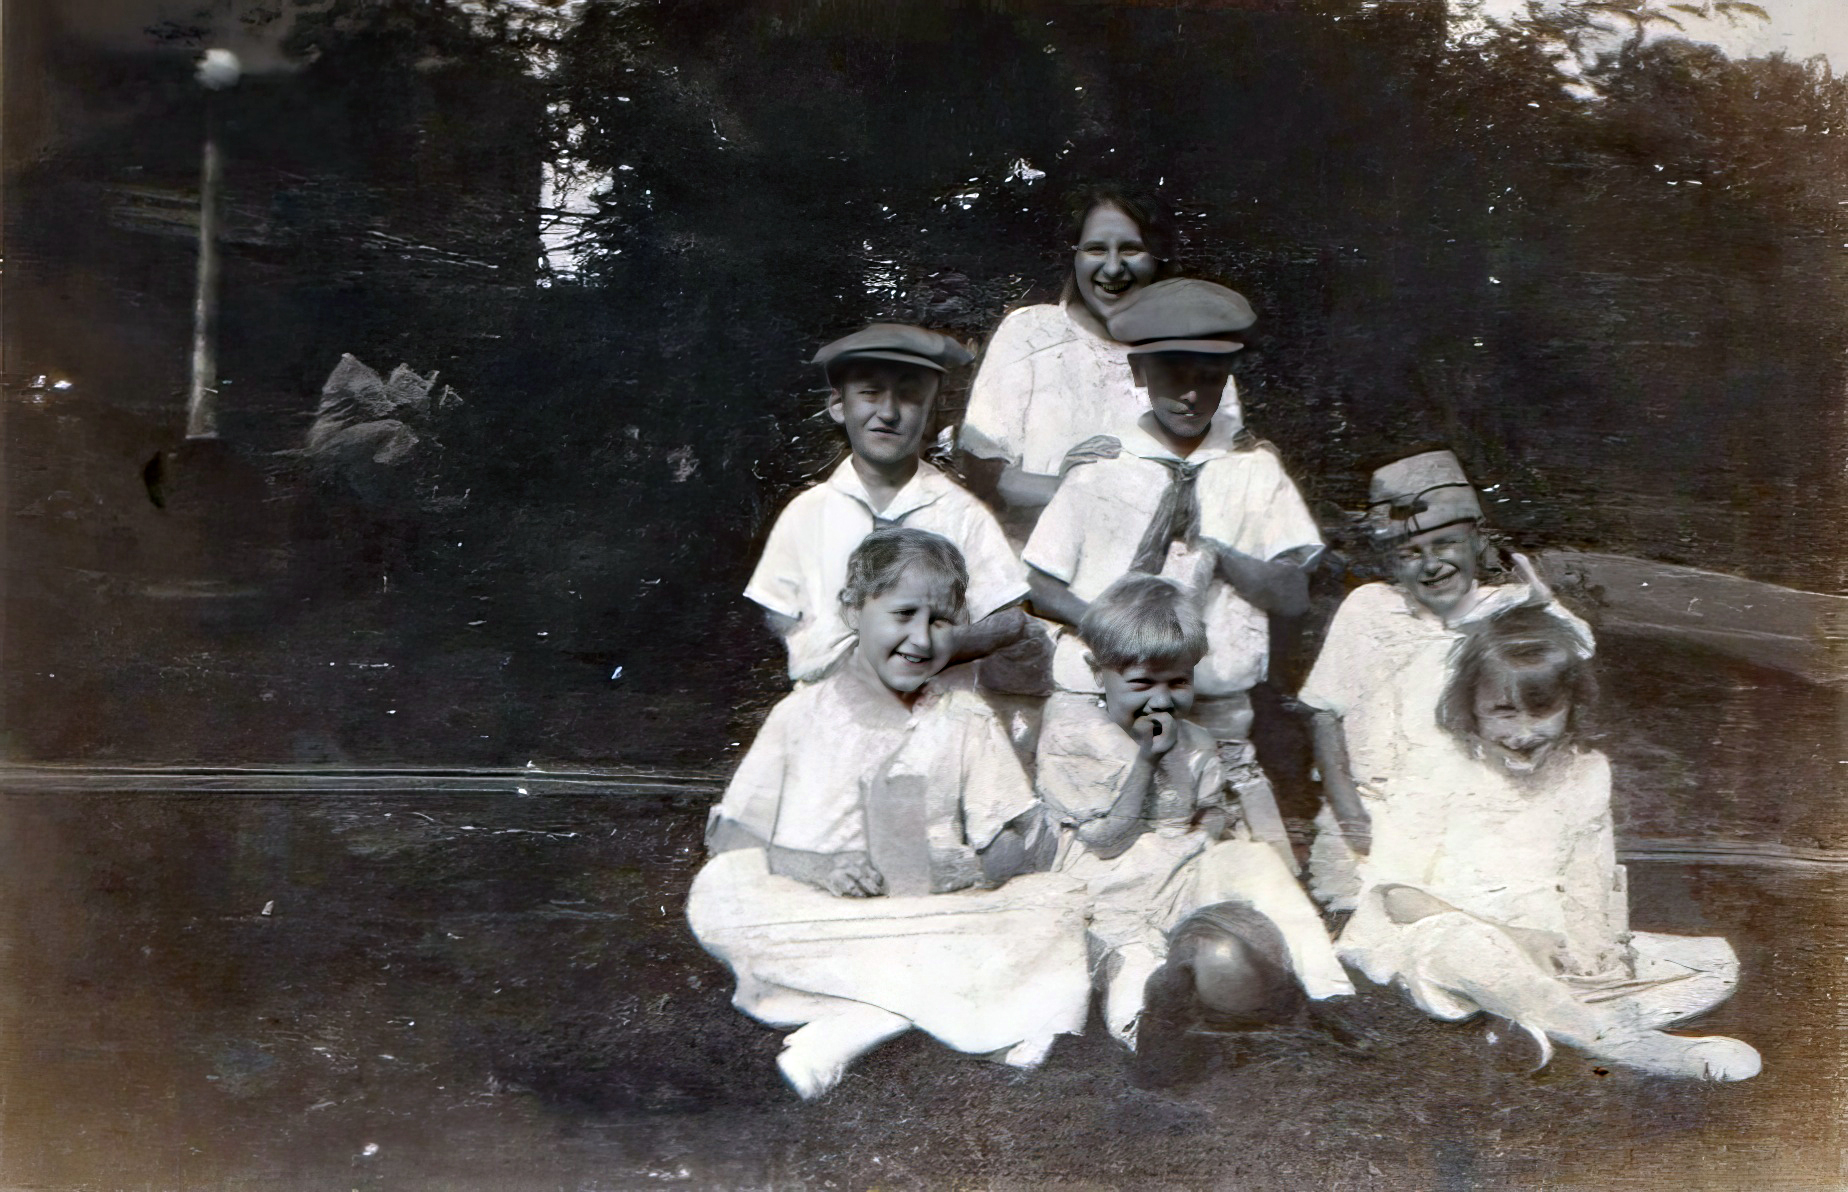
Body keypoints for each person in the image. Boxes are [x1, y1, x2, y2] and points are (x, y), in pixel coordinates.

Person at [689, 528, 1092, 1100]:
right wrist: (814, 867)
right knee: (724, 886)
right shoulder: (799, 716)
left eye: (942, 621)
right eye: (903, 613)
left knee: (1053, 903)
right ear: (854, 610)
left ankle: (855, 1023)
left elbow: (1011, 838)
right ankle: (949, 1006)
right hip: (816, 910)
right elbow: (732, 835)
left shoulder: (964, 719)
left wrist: (970, 871)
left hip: (927, 907)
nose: (921, 639)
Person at [1334, 604, 1760, 1081]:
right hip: (1443, 936)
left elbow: (1588, 879)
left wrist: (1596, 947)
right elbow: (1397, 898)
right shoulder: (1435, 773)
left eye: (1542, 711)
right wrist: (1518, 940)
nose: (1522, 733)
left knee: (1716, 963)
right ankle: (1627, 1043)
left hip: (1546, 945)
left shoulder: (1585, 773)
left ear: (1572, 706)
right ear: (1471, 709)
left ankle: (1536, 1018)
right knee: (1468, 948)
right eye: (1503, 711)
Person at [1023, 277, 1319, 866]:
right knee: (1096, 865)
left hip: (1217, 715)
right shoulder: (1103, 467)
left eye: (1209, 378)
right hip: (1104, 711)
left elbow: (1292, 595)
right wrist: (1116, 633)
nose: (1189, 395)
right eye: (1171, 375)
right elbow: (1038, 584)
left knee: (1259, 882)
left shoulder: (1252, 470)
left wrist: (1220, 548)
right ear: (1139, 373)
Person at [1035, 574, 1353, 1053]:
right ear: (1098, 673)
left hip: (1179, 872)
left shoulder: (1196, 742)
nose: (1161, 700)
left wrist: (1214, 827)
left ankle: (1321, 987)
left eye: (1177, 682)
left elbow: (1208, 810)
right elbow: (1104, 841)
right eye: (1141, 682)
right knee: (1135, 953)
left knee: (1252, 861)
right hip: (1107, 889)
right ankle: (1145, 1030)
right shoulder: (1073, 736)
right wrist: (1146, 761)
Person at [1299, 448, 1594, 909]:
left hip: (1472, 812)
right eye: (1410, 553)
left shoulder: (1506, 609)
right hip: (1379, 812)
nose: (1431, 565)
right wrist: (1347, 808)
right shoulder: (1370, 610)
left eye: (1445, 545)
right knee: (1377, 915)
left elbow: (1575, 650)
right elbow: (1324, 713)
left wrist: (1539, 597)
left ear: (1477, 541)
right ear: (1391, 562)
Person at [746, 324, 1032, 685]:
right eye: (870, 392)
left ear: (932, 410)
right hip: (830, 712)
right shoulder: (808, 513)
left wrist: (929, 649)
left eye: (910, 396)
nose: (889, 412)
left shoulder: (961, 513)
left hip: (933, 712)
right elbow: (780, 612)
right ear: (838, 405)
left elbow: (1007, 619)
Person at [961, 186, 1226, 539]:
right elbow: (986, 476)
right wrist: (1078, 495)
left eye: (1131, 249)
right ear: (1075, 255)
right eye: (1097, 248)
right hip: (1037, 551)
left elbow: (1220, 488)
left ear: (1157, 257)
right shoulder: (1030, 332)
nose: (1113, 268)